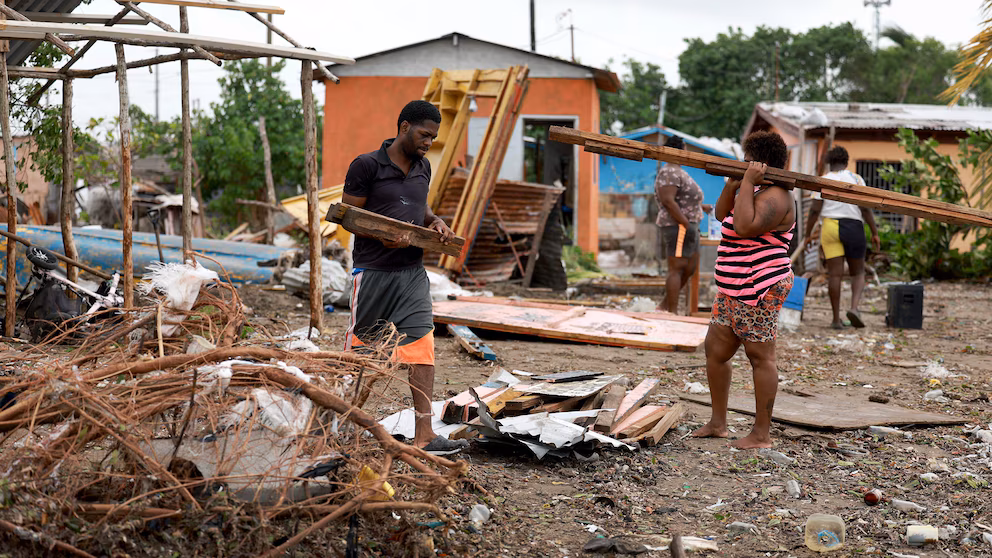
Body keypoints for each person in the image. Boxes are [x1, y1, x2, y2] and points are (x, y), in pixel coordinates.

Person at [336, 100, 466, 454]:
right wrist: (381, 236)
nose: (428, 143)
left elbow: (419, 206)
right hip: (374, 272)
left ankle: (424, 434)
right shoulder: (366, 165)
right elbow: (347, 216)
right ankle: (344, 426)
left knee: (422, 350)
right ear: (404, 127)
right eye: (425, 135)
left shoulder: (423, 167)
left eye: (434, 138)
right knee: (363, 354)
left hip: (411, 273)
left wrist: (434, 221)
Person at [692, 131, 796, 449]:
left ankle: (761, 434)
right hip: (731, 286)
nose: (743, 163)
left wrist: (748, 183)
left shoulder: (778, 196)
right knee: (716, 352)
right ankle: (718, 423)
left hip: (761, 286)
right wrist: (733, 183)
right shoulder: (752, 188)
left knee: (759, 356)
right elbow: (722, 215)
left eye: (747, 159)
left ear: (760, 163)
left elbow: (745, 226)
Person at [802, 146, 880, 329]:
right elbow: (866, 208)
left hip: (830, 226)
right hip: (854, 226)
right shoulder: (856, 179)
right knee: (858, 271)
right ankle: (854, 308)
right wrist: (874, 232)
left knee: (835, 274)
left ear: (829, 163)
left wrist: (807, 235)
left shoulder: (822, 180)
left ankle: (836, 319)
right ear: (846, 162)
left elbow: (814, 210)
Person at [654, 135, 709, 314]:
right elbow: (668, 201)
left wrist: (700, 207)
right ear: (679, 151)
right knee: (677, 268)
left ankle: (664, 306)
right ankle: (672, 312)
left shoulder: (678, 171)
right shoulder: (669, 171)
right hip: (678, 226)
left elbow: (682, 199)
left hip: (688, 226)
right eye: (685, 150)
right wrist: (684, 222)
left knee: (690, 267)